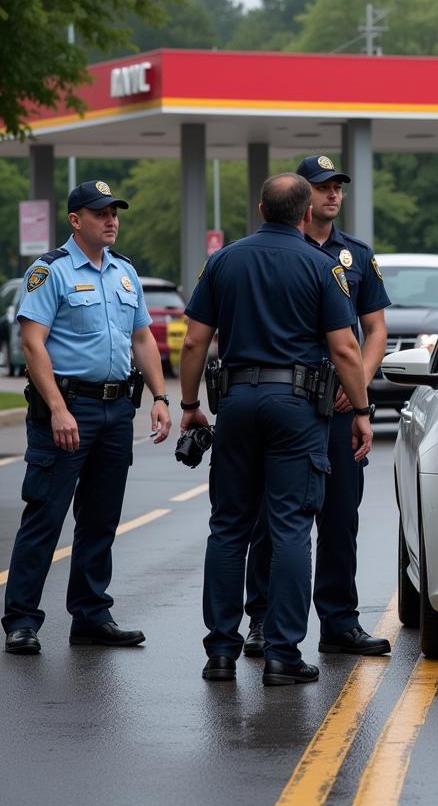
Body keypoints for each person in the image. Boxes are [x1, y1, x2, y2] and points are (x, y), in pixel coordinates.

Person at [178, 173, 373, 686]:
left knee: (228, 527)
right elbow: (346, 348)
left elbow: (195, 343)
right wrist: (361, 411)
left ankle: (220, 652)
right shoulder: (321, 266)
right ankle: (283, 654)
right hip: (296, 406)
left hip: (236, 401)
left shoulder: (223, 261)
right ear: (306, 214)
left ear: (261, 208)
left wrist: (191, 404)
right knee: (290, 525)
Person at [3, 181, 172, 656]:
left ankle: (91, 615)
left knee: (101, 517)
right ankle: (20, 620)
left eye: (115, 212)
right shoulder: (49, 271)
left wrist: (161, 396)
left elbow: (142, 339)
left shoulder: (125, 273)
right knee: (46, 514)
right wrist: (57, 407)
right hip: (68, 407)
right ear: (76, 220)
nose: (111, 220)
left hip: (117, 408)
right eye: (100, 213)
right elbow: (32, 343)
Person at [242, 154, 391, 658]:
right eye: (322, 186)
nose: (332, 194)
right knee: (274, 515)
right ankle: (261, 619)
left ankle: (339, 622)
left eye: (338, 187)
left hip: (341, 403)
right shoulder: (280, 247)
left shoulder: (357, 255)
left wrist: (360, 385)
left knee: (340, 515)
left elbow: (374, 331)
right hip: (293, 399)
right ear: (302, 198)